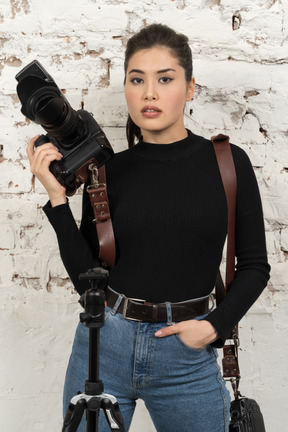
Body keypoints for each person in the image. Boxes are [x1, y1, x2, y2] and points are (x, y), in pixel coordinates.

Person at [27, 23, 270, 432]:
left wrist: (214, 325)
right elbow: (90, 284)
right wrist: (56, 199)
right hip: (104, 346)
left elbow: (255, 266)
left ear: (190, 88)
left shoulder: (228, 163)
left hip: (186, 357)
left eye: (165, 79)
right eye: (137, 79)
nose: (149, 93)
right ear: (125, 87)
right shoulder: (105, 171)